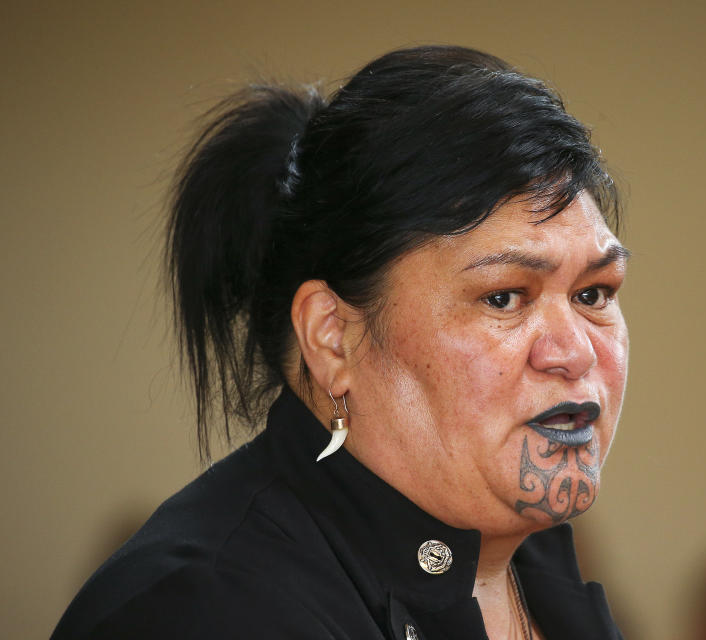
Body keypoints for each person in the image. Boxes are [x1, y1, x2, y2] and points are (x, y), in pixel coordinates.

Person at [52, 45, 629, 639]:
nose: (576, 352)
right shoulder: (200, 609)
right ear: (331, 338)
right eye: (504, 298)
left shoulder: (535, 567)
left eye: (594, 295)